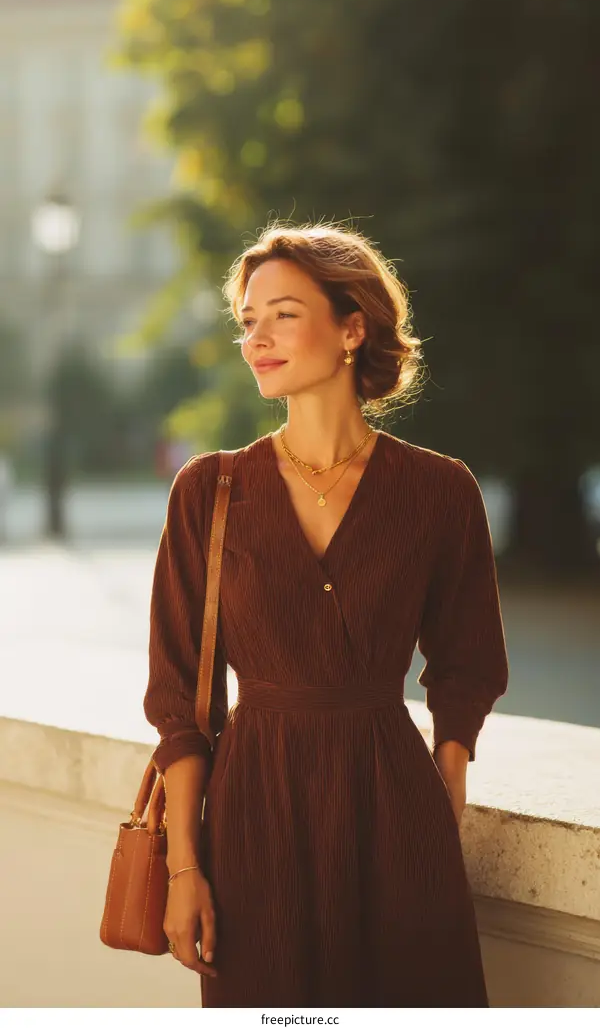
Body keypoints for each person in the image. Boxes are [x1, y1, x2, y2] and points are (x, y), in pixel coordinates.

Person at [143, 222, 509, 1008]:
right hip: (252, 818)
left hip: (396, 812)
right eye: (247, 320)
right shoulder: (209, 492)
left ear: (352, 327)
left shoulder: (441, 492)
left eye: (282, 313)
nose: (257, 338)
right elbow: (180, 702)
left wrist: (438, 819)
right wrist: (184, 868)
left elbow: (466, 666)